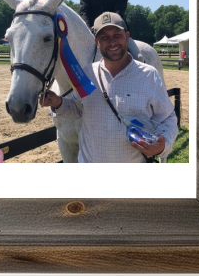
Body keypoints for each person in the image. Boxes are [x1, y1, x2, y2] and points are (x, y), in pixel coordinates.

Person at [39, 12, 178, 163]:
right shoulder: (87, 73)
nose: (112, 42)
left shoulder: (150, 75)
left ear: (127, 36)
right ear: (97, 43)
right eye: (104, 37)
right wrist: (58, 102)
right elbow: (77, 108)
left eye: (117, 35)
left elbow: (168, 118)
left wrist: (163, 144)